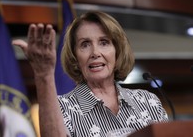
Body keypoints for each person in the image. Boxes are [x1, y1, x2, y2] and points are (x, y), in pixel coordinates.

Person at [13, 11, 168, 137]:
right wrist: (44, 73)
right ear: (75, 57)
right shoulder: (61, 108)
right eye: (85, 44)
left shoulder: (148, 102)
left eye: (104, 42)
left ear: (117, 51)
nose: (95, 52)